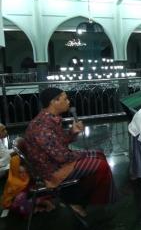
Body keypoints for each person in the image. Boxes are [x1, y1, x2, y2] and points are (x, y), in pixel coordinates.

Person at [22, 87, 117, 217]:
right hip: (51, 169)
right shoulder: (42, 126)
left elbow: (61, 142)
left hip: (54, 161)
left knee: (99, 155)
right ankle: (78, 200)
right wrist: (82, 154)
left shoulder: (50, 119)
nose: (68, 102)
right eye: (65, 99)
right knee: (101, 166)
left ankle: (79, 198)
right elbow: (61, 157)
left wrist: (73, 131)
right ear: (54, 102)